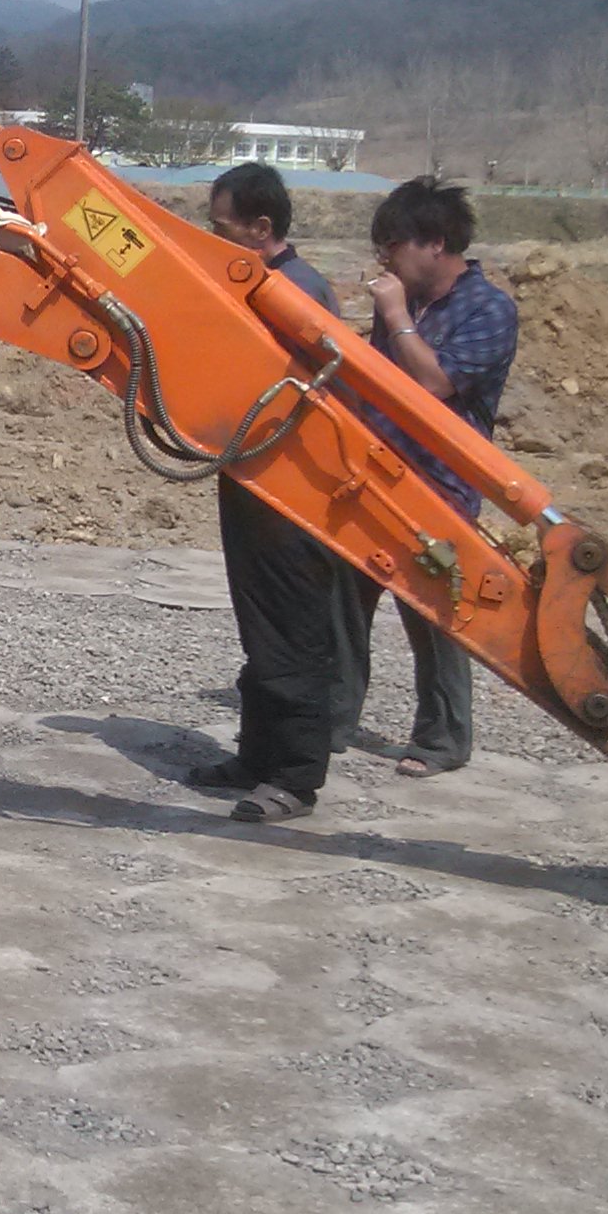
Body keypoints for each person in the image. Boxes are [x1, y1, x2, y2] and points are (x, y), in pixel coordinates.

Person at [334, 175, 520, 776]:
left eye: (393, 245)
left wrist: (396, 317)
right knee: (345, 598)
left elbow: (435, 385)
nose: (385, 259)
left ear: (436, 242)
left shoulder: (489, 309)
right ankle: (332, 718)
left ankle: (443, 738)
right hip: (376, 469)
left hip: (441, 482)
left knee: (435, 611)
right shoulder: (404, 305)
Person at [185, 163, 352, 823]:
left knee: (294, 630)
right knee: (260, 625)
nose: (214, 239)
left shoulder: (297, 294)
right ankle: (256, 757)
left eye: (223, 228)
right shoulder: (260, 287)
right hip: (253, 477)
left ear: (261, 228)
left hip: (293, 487)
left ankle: (295, 777)